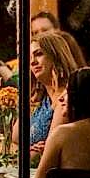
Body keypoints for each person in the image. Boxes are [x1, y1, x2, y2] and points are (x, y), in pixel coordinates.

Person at [24, 31, 78, 160]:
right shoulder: (41, 98)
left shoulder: (66, 97)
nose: (32, 62)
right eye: (29, 57)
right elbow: (15, 139)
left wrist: (31, 152)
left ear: (56, 57)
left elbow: (50, 152)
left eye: (39, 54)